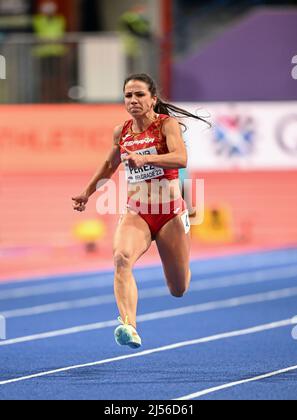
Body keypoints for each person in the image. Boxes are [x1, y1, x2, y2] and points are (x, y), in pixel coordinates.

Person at [72, 74, 209, 349]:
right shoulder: (121, 132)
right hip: (137, 212)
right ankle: (129, 326)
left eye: (139, 95)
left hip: (170, 213)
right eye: (128, 96)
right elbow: (109, 165)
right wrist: (87, 192)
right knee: (121, 258)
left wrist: (145, 158)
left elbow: (181, 158)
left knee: (178, 288)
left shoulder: (167, 125)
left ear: (153, 99)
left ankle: (182, 264)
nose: (133, 101)